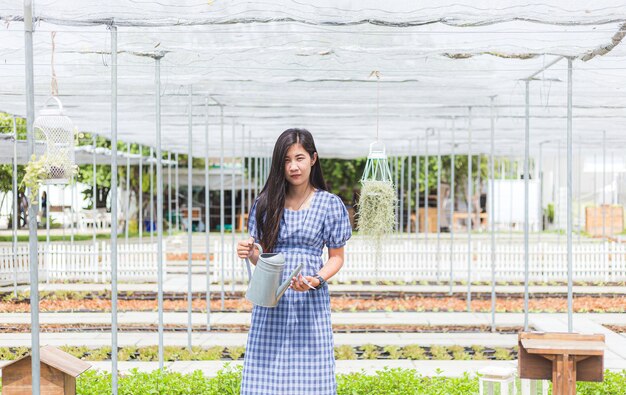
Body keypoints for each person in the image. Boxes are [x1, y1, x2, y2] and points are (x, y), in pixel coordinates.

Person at [237, 128, 352, 395]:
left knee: (311, 371)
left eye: (299, 158)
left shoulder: (329, 204)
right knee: (267, 369)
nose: (293, 166)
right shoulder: (266, 203)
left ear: (313, 158)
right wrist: (249, 251)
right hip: (272, 296)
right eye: (287, 160)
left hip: (309, 297)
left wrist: (317, 279)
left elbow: (336, 258)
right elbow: (262, 256)